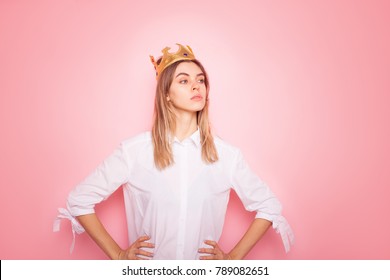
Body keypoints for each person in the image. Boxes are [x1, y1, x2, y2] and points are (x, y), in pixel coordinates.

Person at [54, 43, 294, 260]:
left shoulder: (227, 156)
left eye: (200, 80)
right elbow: (79, 200)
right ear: (166, 94)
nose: (196, 86)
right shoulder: (134, 152)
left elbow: (269, 205)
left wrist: (232, 259)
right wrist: (118, 255)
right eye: (183, 80)